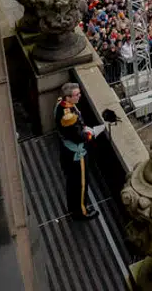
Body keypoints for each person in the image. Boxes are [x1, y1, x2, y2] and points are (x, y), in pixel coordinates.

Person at [56, 82, 98, 220]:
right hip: (76, 153)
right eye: (76, 95)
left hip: (66, 149)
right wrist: (91, 133)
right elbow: (80, 137)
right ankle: (81, 212)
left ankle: (72, 207)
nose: (79, 96)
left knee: (71, 181)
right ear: (68, 97)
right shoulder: (68, 117)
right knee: (81, 183)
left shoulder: (61, 105)